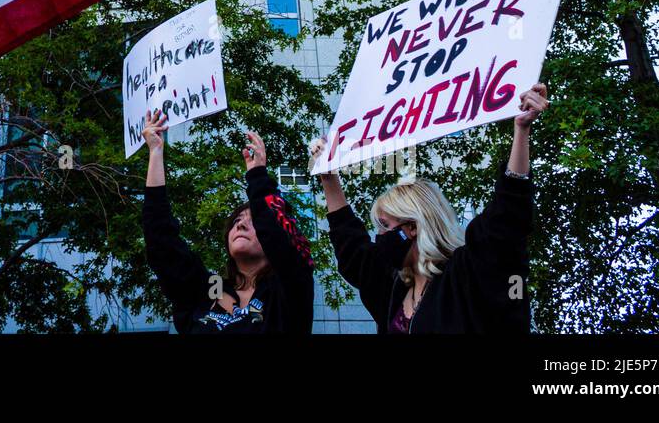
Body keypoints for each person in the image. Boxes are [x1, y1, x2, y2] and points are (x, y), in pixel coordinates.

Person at [311, 82, 549, 334]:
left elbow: (506, 221)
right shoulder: (393, 287)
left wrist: (522, 130)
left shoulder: (464, 275)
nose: (378, 236)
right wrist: (328, 177)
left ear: (412, 227)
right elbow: (351, 247)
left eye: (384, 226)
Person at [141, 109, 314, 333]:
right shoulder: (210, 290)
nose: (240, 225)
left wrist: (258, 176)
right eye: (236, 221)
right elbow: (161, 241)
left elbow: (279, 238)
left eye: (253, 221)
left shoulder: (286, 291)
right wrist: (155, 152)